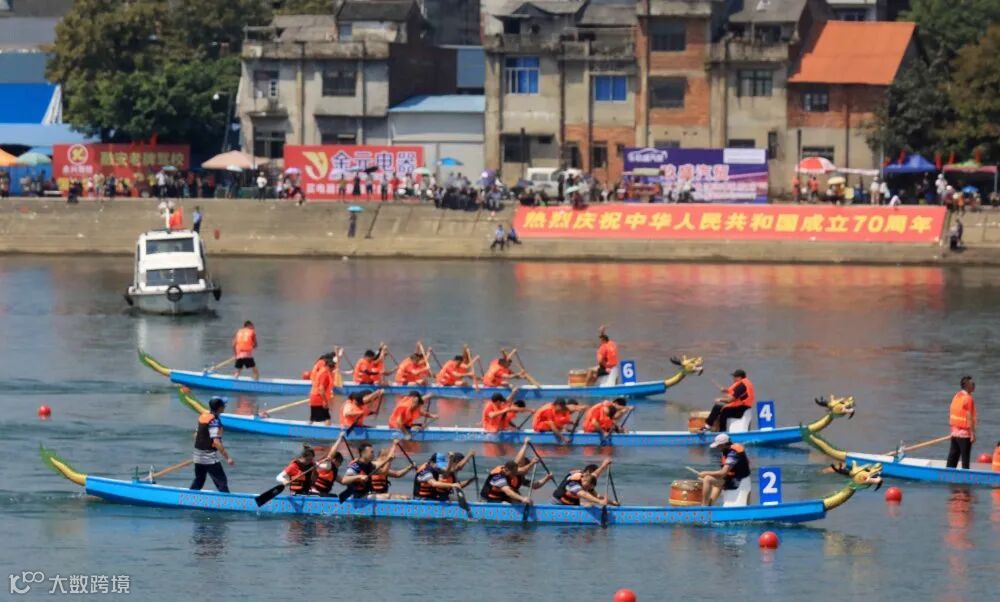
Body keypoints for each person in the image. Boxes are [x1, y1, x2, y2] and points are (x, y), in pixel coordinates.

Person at [481, 440, 552, 503]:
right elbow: (508, 491)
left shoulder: (517, 476)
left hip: (504, 497)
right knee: (514, 499)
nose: (527, 472)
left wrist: (547, 478)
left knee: (518, 499)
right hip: (490, 499)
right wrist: (523, 499)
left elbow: (534, 485)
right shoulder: (499, 475)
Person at [190, 396, 233, 492]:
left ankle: (189, 496)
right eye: (224, 405)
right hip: (208, 456)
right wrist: (228, 458)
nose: (225, 406)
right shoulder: (214, 421)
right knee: (221, 481)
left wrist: (200, 453)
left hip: (197, 454)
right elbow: (216, 442)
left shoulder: (203, 417)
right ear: (220, 408)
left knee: (199, 480)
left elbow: (195, 436)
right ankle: (225, 499)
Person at [698, 433, 751, 506]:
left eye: (718, 446)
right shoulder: (727, 450)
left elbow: (723, 473)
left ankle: (704, 506)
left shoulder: (733, 453)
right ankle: (709, 505)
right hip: (731, 478)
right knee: (710, 480)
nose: (717, 447)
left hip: (737, 480)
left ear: (723, 444)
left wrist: (706, 473)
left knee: (707, 479)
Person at [552, 458, 616, 507]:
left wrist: (613, 503)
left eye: (588, 488)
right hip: (559, 503)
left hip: (572, 504)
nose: (587, 489)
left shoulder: (588, 481)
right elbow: (583, 494)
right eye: (587, 487)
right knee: (589, 503)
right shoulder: (573, 482)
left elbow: (597, 496)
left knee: (590, 505)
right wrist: (599, 502)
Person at [947, 375, 977, 469]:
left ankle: (948, 473)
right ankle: (965, 476)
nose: (974, 385)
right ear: (967, 385)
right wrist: (972, 434)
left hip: (955, 433)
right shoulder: (968, 398)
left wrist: (953, 431)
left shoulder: (957, 396)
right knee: (965, 459)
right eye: (972, 384)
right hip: (964, 435)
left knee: (953, 457)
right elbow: (969, 417)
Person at [308, 355, 337, 425]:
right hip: (319, 398)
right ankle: (328, 430)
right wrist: (325, 401)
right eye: (333, 368)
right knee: (326, 418)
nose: (333, 370)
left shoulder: (323, 369)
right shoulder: (325, 374)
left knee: (313, 418)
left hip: (315, 396)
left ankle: (309, 427)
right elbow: (321, 389)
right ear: (330, 367)